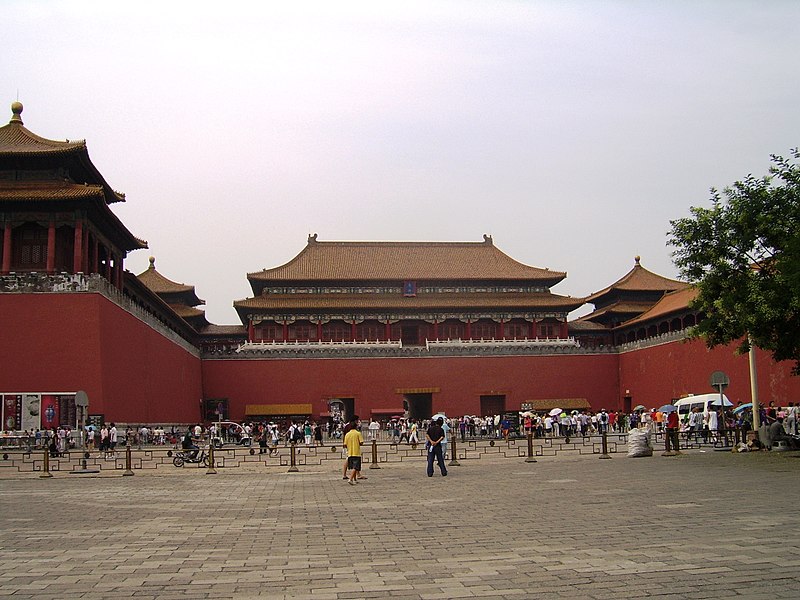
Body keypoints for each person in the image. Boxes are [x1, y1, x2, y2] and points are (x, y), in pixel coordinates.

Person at [343, 416, 364, 485]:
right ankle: (351, 479)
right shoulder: (358, 433)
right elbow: (361, 442)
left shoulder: (347, 434)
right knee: (355, 467)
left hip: (350, 452)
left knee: (352, 466)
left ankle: (355, 479)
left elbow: (345, 444)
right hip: (356, 452)